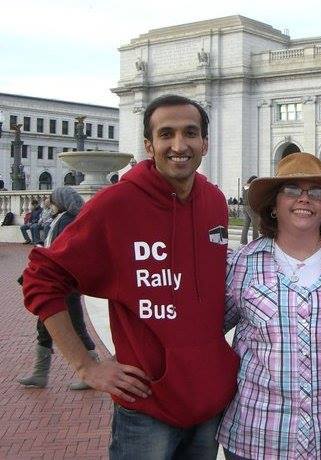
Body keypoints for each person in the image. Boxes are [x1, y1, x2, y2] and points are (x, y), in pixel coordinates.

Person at [23, 94, 239, 459]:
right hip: (147, 408)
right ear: (148, 145)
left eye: (190, 133)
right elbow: (42, 277)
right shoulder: (117, 204)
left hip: (210, 402)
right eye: (166, 134)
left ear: (205, 142)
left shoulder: (214, 201)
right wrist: (85, 365)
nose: (178, 145)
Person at [217, 152, 321, 459]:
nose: (305, 199)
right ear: (274, 206)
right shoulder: (242, 266)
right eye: (291, 191)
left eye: (316, 193)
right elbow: (210, 330)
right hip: (259, 434)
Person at [17, 187, 99, 390]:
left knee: (76, 326)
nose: (49, 204)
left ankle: (92, 369)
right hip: (58, 284)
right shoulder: (65, 217)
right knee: (45, 327)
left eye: (52, 200)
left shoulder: (68, 219)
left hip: (64, 284)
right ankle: (39, 374)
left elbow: (62, 250)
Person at [240, 175, 259, 245]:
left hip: (245, 206)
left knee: (246, 225)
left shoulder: (245, 186)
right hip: (251, 207)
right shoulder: (253, 186)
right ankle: (255, 242)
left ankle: (243, 242)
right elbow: (254, 197)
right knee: (255, 225)